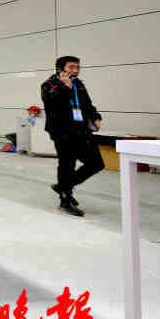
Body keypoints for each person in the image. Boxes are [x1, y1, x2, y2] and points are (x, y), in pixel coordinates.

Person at [41, 56, 104, 217]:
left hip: (81, 129)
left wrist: (95, 117)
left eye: (77, 67)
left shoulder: (79, 84)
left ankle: (63, 186)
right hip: (62, 131)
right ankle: (65, 199)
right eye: (71, 67)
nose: (75, 70)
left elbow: (88, 104)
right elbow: (53, 104)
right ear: (60, 68)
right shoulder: (49, 85)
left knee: (96, 163)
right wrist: (66, 87)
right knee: (67, 164)